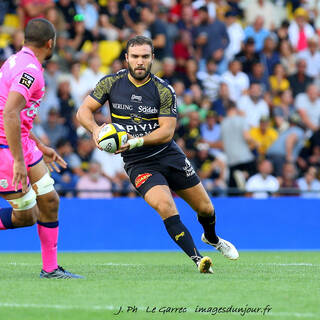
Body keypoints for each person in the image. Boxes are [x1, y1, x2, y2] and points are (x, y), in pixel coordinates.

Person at [77, 35, 239, 274]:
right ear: (126, 59)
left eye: (144, 56)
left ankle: (212, 238)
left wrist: (133, 142)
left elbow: (166, 132)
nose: (140, 61)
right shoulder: (110, 83)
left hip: (168, 155)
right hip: (139, 163)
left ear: (152, 58)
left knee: (206, 209)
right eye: (135, 57)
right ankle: (198, 259)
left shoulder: (164, 90)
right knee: (165, 205)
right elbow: (83, 111)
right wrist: (94, 130)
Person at [0, 18, 82, 279]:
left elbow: (16, 114)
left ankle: (51, 269)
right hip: (6, 146)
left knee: (49, 200)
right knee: (26, 216)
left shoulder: (15, 61)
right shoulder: (30, 71)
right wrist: (18, 161)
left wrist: (39, 145)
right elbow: (10, 113)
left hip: (21, 142)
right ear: (50, 43)